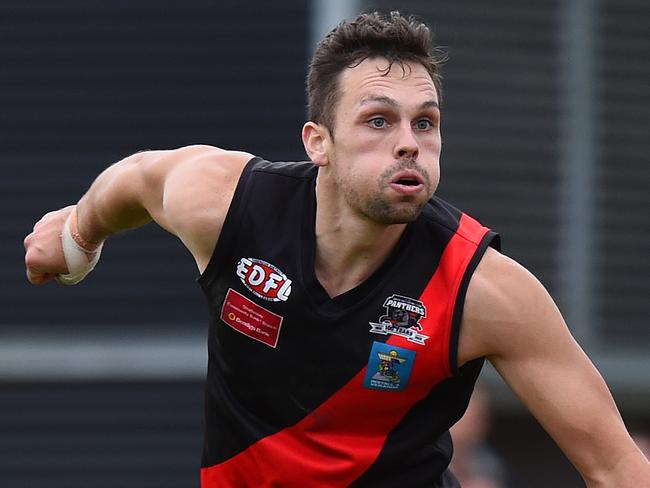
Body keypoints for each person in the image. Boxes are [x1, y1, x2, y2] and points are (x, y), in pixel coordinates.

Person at [23, 11, 650, 488]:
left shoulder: (485, 291)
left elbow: (618, 466)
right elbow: (137, 177)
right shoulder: (226, 203)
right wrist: (79, 234)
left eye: (425, 123)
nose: (409, 143)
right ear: (317, 141)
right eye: (379, 120)